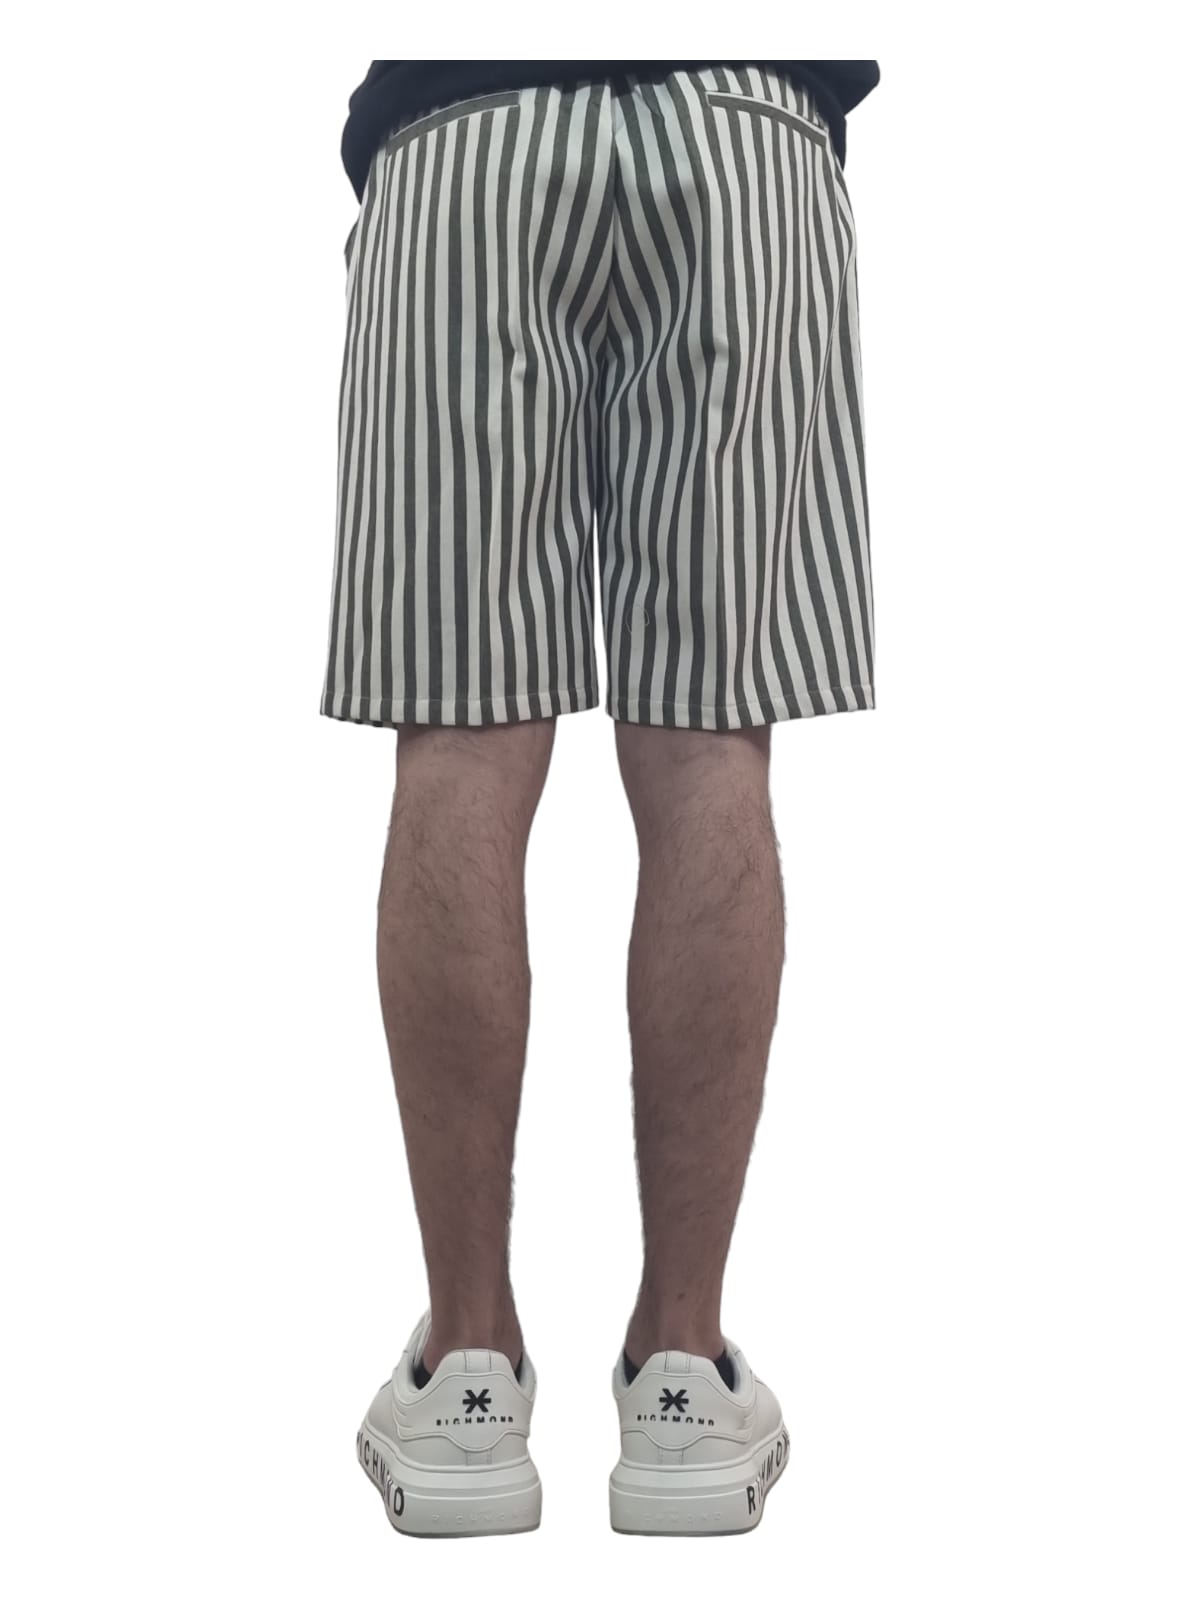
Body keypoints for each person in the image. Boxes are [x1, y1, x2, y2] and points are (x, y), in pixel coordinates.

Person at [324, 58, 879, 1538]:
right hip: (744, 129)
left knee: (460, 733)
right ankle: (682, 1377)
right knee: (710, 740)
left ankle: (466, 1376)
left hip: (466, 132)